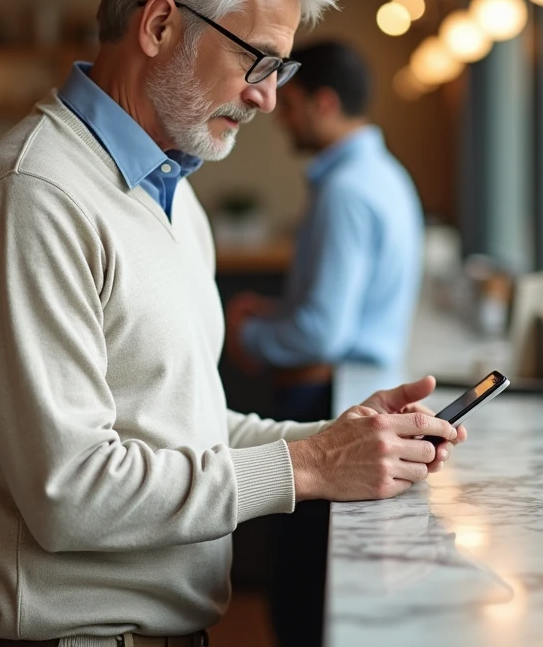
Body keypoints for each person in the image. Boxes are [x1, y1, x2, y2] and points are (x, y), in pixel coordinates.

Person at [0, 0, 465, 647]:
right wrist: (308, 467)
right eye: (257, 60)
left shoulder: (171, 196)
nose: (269, 98)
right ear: (160, 24)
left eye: (282, 66)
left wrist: (339, 440)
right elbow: (70, 492)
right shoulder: (32, 200)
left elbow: (187, 426)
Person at [224, 41, 424, 647]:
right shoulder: (382, 174)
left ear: (325, 103)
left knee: (300, 590)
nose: (276, 111)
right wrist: (280, 310)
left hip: (323, 392)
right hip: (351, 383)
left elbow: (322, 331)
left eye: (291, 102)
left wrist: (248, 332)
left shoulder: (344, 191)